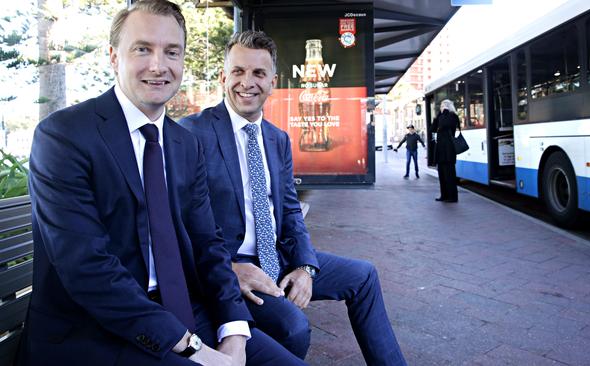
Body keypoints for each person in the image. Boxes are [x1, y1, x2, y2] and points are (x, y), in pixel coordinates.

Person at [18, 2, 305, 365]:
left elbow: (208, 244)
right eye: (142, 49)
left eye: (172, 52)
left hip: (182, 311)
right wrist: (195, 349)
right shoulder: (64, 137)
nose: (158, 65)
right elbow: (87, 270)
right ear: (113, 57)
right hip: (95, 332)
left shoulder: (185, 144)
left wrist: (233, 330)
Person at [179, 30, 407, 366]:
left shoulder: (277, 139)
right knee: (294, 328)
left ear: (273, 81)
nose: (247, 82)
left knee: (364, 276)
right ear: (222, 77)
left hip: (279, 256)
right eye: (238, 72)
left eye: (258, 73)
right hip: (233, 265)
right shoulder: (190, 133)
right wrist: (227, 268)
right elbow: (177, 219)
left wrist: (304, 266)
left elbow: (288, 209)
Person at [432, 99, 461, 202]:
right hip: (440, 150)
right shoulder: (441, 116)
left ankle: (452, 197)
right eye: (441, 106)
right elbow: (433, 128)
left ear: (449, 107)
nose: (442, 107)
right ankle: (444, 195)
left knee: (450, 175)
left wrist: (445, 112)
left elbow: (445, 124)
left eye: (444, 106)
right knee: (442, 175)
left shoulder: (453, 116)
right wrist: (438, 115)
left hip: (449, 150)